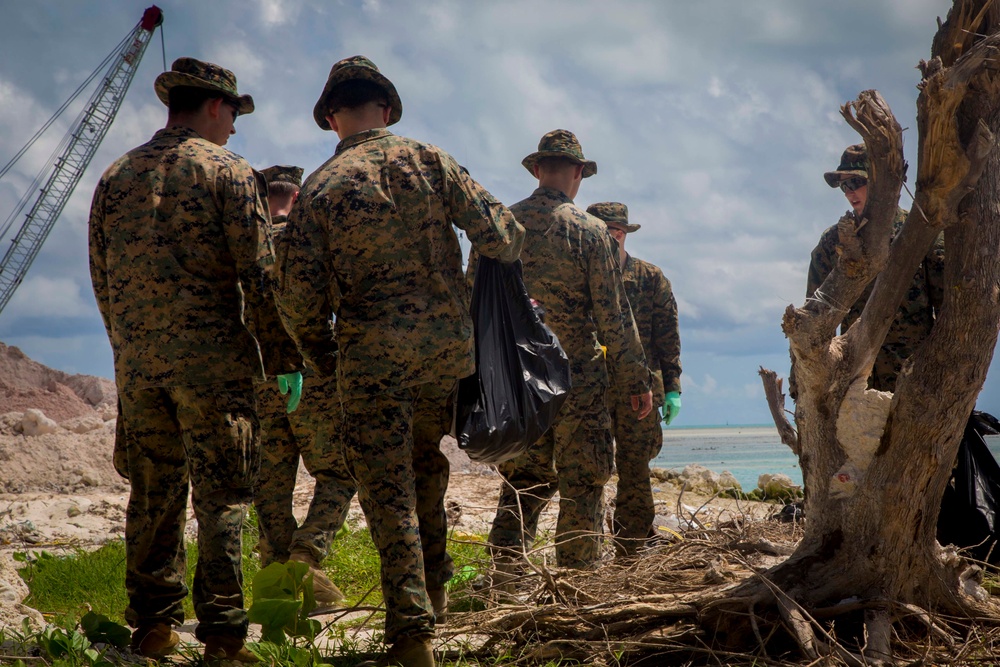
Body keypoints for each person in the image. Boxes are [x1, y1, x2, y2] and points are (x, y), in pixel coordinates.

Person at [274, 55, 524, 667]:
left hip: (370, 356)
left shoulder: (320, 189)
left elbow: (299, 297)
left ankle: (411, 638)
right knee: (428, 475)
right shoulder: (431, 159)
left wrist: (323, 360)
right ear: (386, 110)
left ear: (332, 118)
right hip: (444, 354)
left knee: (389, 492)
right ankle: (432, 602)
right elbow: (503, 236)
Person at [88, 57, 270, 663]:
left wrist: (128, 349)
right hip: (212, 364)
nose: (235, 129)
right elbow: (260, 277)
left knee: (153, 492)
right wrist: (284, 355)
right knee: (223, 496)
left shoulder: (115, 176)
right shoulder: (229, 171)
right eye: (233, 115)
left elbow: (102, 279)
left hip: (139, 364)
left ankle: (153, 626)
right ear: (215, 107)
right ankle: (221, 634)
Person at [485, 130, 652, 574]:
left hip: (517, 375)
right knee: (583, 482)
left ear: (537, 170)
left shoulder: (503, 225)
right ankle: (576, 588)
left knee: (521, 479)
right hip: (577, 377)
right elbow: (613, 318)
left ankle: (503, 577)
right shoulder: (592, 233)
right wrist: (637, 381)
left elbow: (475, 303)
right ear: (579, 174)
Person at [251, 165, 355, 607]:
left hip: (257, 380)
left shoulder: (242, 246)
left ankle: (278, 591)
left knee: (270, 486)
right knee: (340, 471)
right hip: (309, 375)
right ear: (297, 199)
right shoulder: (308, 241)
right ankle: (307, 555)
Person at [586, 201, 682, 558]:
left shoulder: (649, 278)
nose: (610, 240)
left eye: (615, 233)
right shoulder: (581, 275)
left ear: (623, 234)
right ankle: (587, 543)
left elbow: (667, 339)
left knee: (636, 465)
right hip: (591, 386)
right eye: (602, 233)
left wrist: (672, 388)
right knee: (589, 466)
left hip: (639, 388)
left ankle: (633, 542)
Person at [806, 144, 944, 392]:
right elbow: (813, 315)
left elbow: (947, 307)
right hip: (856, 374)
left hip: (913, 373)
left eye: (856, 182)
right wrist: (803, 380)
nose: (849, 193)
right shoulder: (832, 242)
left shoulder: (918, 231)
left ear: (880, 182)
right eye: (844, 186)